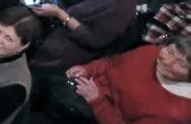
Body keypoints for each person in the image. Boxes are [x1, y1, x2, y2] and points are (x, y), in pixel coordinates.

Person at [57, 35, 191, 123]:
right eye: (170, 51)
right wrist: (88, 69)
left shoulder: (178, 112)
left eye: (181, 64)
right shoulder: (150, 51)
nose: (167, 61)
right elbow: (112, 62)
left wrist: (97, 101)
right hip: (87, 87)